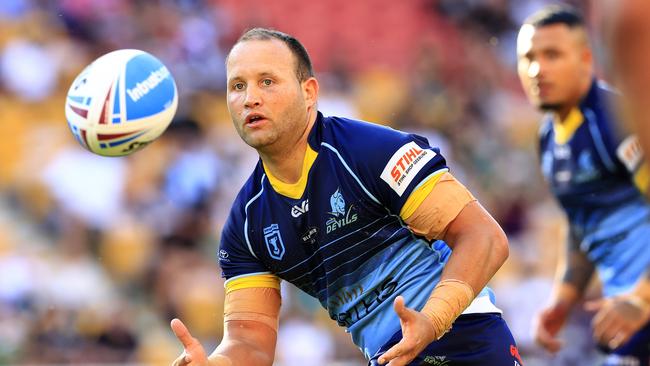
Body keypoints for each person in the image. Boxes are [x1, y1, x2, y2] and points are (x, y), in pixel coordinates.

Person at [170, 27, 521, 366]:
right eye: (237, 86)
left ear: (309, 92)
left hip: (461, 334)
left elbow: (485, 237)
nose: (250, 98)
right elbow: (250, 344)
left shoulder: (370, 151)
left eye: (267, 81)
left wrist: (432, 320)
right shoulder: (245, 226)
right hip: (391, 355)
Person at [516, 5, 650, 365]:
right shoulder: (549, 140)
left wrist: (643, 298)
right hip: (625, 321)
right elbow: (583, 222)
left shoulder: (615, 121)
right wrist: (563, 299)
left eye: (552, 55)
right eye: (528, 57)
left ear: (586, 59)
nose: (537, 69)